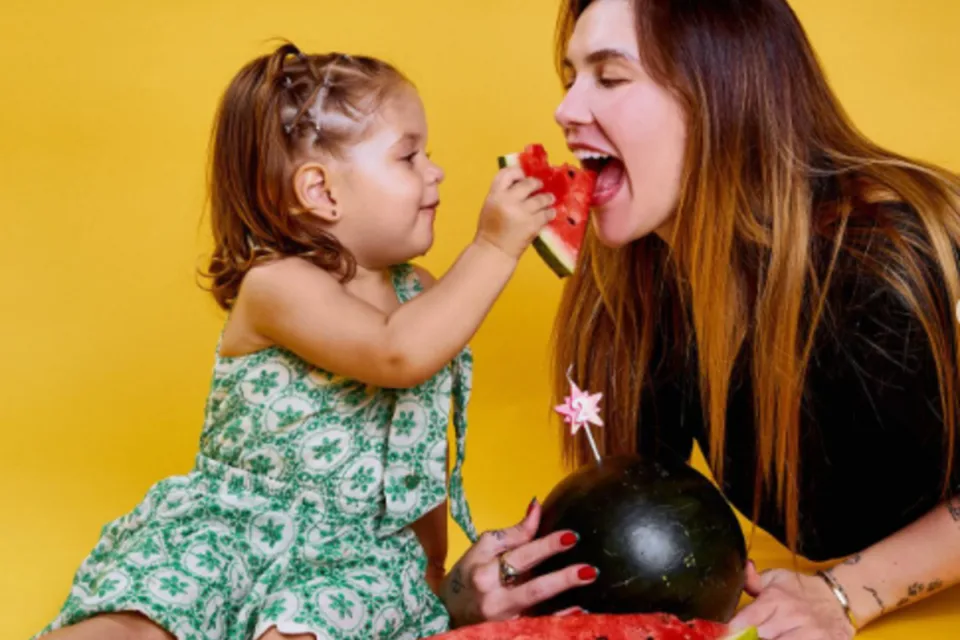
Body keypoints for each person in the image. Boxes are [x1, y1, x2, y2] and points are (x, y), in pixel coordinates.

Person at [436, 1, 960, 639]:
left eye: (610, 76)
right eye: (569, 77)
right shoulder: (640, 285)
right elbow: (641, 534)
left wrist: (848, 593)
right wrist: (492, 589)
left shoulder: (893, 257)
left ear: (721, 96)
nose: (565, 111)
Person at [33, 41, 558, 640]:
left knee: (310, 630)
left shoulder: (424, 297)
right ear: (321, 192)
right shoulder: (277, 285)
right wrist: (493, 247)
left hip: (357, 559)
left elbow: (416, 450)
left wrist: (429, 572)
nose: (435, 171)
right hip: (232, 527)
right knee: (139, 618)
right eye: (409, 156)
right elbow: (397, 355)